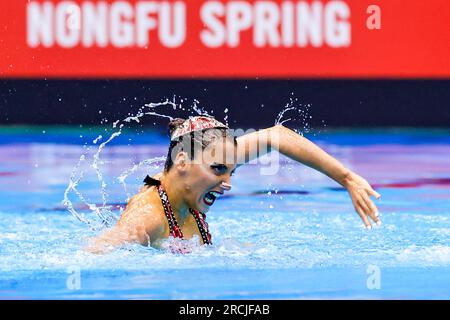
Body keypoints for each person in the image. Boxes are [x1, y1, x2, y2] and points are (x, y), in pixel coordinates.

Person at [86, 116, 381, 253]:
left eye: (231, 171)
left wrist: (347, 178)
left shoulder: (203, 174)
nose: (226, 183)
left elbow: (276, 136)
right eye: (218, 171)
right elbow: (96, 252)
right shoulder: (149, 219)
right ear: (182, 162)